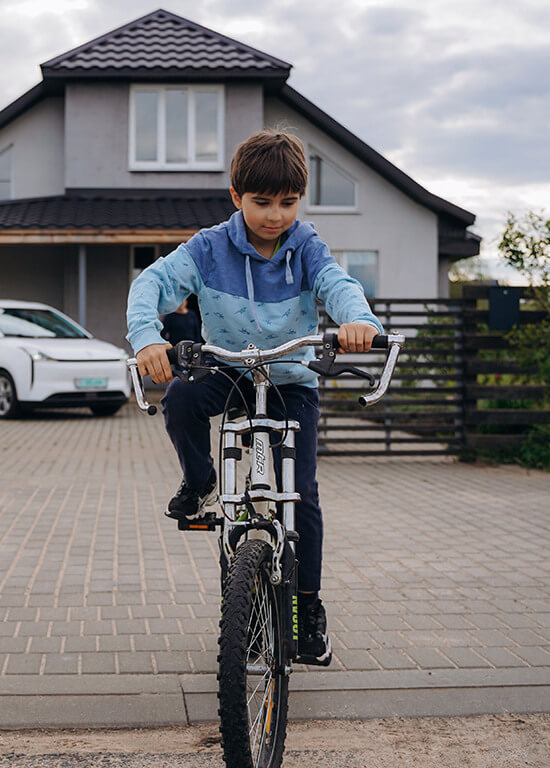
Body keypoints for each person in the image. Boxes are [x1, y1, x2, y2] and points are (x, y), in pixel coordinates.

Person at [125, 129, 382, 665]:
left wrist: (357, 319)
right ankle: (201, 485)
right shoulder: (209, 247)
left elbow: (337, 283)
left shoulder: (306, 245)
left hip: (291, 379)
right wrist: (148, 336)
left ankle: (307, 609)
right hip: (231, 369)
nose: (275, 215)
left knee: (301, 496)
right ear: (236, 197)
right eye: (262, 202)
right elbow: (152, 282)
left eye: (288, 202)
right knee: (180, 400)